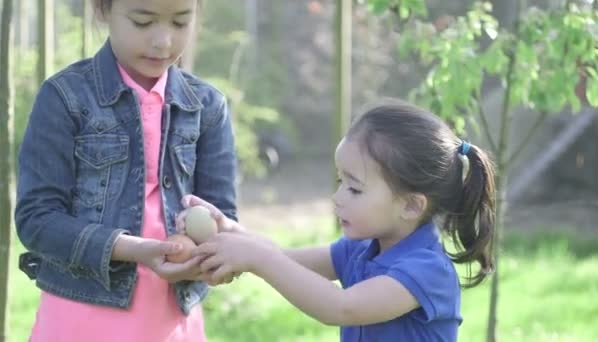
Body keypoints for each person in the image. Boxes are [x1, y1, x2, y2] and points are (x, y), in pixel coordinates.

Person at [14, 0, 238, 341]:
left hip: (172, 323)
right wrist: (134, 250)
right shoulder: (63, 98)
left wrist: (212, 255)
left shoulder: (207, 107)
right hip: (80, 317)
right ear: (103, 10)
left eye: (180, 23)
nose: (163, 41)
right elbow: (37, 219)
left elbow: (222, 215)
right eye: (142, 22)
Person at [185, 102, 496, 341]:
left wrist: (257, 258)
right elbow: (286, 259)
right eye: (339, 181)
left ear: (412, 205)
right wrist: (234, 234)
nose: (337, 198)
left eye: (354, 188)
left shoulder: (426, 271)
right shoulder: (361, 248)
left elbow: (341, 307)